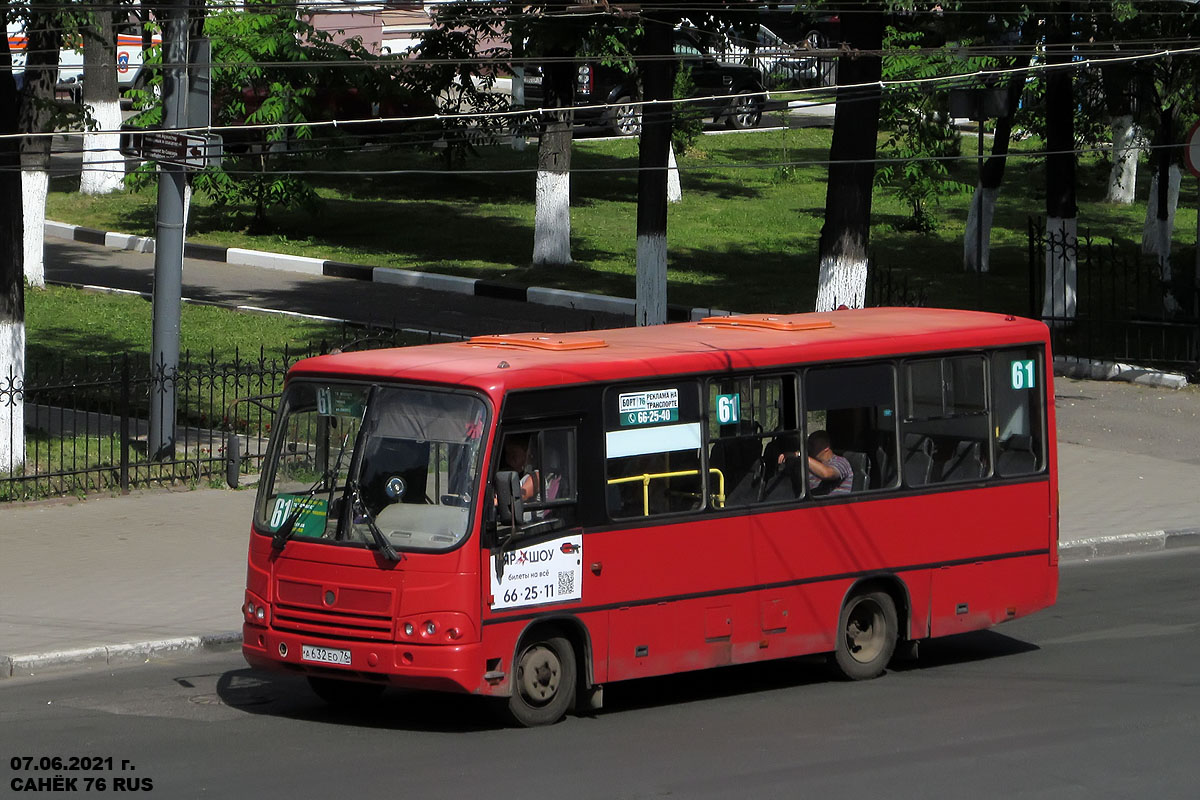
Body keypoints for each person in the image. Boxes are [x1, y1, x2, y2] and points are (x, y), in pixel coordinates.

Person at [778, 429, 852, 496]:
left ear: (826, 447)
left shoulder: (841, 462)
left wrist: (800, 455)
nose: (808, 448)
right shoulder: (811, 463)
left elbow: (826, 474)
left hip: (833, 507)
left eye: (812, 445)